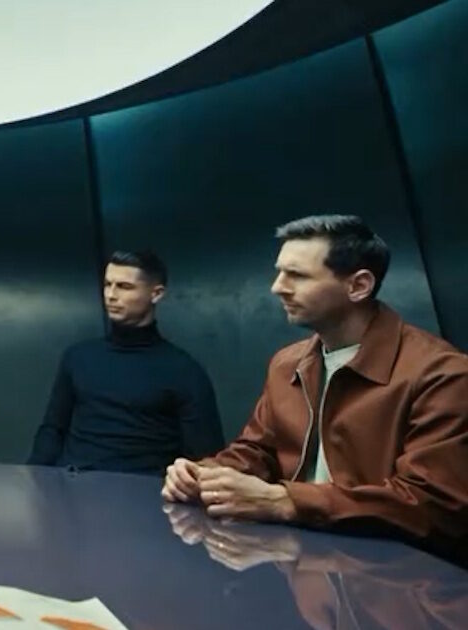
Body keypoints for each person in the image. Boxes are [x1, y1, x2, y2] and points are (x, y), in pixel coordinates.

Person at [162, 215, 468, 563]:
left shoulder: (443, 374)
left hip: (401, 576)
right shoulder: (287, 364)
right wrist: (203, 475)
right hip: (305, 564)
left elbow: (432, 504)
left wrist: (286, 501)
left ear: (359, 286)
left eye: (297, 275)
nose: (277, 287)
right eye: (280, 272)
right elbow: (258, 451)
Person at [27, 250, 224, 473]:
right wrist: (33, 480)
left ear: (156, 294)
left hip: (143, 488)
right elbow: (52, 430)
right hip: (74, 483)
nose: (111, 295)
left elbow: (205, 459)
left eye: (124, 286)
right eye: (107, 284)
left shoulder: (185, 371)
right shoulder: (78, 357)